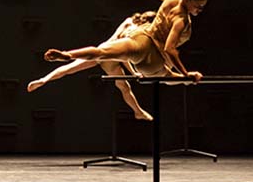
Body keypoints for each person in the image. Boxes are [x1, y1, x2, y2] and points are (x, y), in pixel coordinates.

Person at [43, 0, 209, 83]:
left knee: (101, 51)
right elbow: (170, 49)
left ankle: (68, 54)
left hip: (141, 38)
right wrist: (185, 73)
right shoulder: (181, 20)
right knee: (169, 77)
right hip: (153, 59)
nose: (200, 10)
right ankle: (187, 79)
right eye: (198, 6)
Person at [27, 11, 157, 121]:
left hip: (103, 49)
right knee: (124, 87)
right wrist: (133, 73)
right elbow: (125, 54)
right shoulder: (134, 30)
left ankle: (44, 79)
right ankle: (138, 111)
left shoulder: (128, 22)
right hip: (112, 55)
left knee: (69, 69)